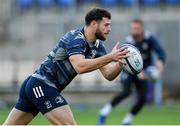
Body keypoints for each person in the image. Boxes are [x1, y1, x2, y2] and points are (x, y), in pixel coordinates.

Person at [3, 8, 129, 125]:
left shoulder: (98, 46)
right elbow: (79, 66)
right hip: (41, 85)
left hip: (37, 85)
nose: (109, 29)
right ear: (94, 24)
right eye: (106, 25)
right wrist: (110, 57)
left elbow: (108, 74)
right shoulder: (75, 38)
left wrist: (119, 62)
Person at [98, 19, 166, 125]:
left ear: (142, 29)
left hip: (144, 71)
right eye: (133, 28)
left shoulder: (150, 38)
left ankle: (127, 120)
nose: (134, 31)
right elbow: (126, 60)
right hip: (128, 70)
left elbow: (160, 52)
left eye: (137, 28)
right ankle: (104, 112)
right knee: (126, 91)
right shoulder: (129, 42)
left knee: (143, 97)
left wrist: (160, 64)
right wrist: (139, 72)